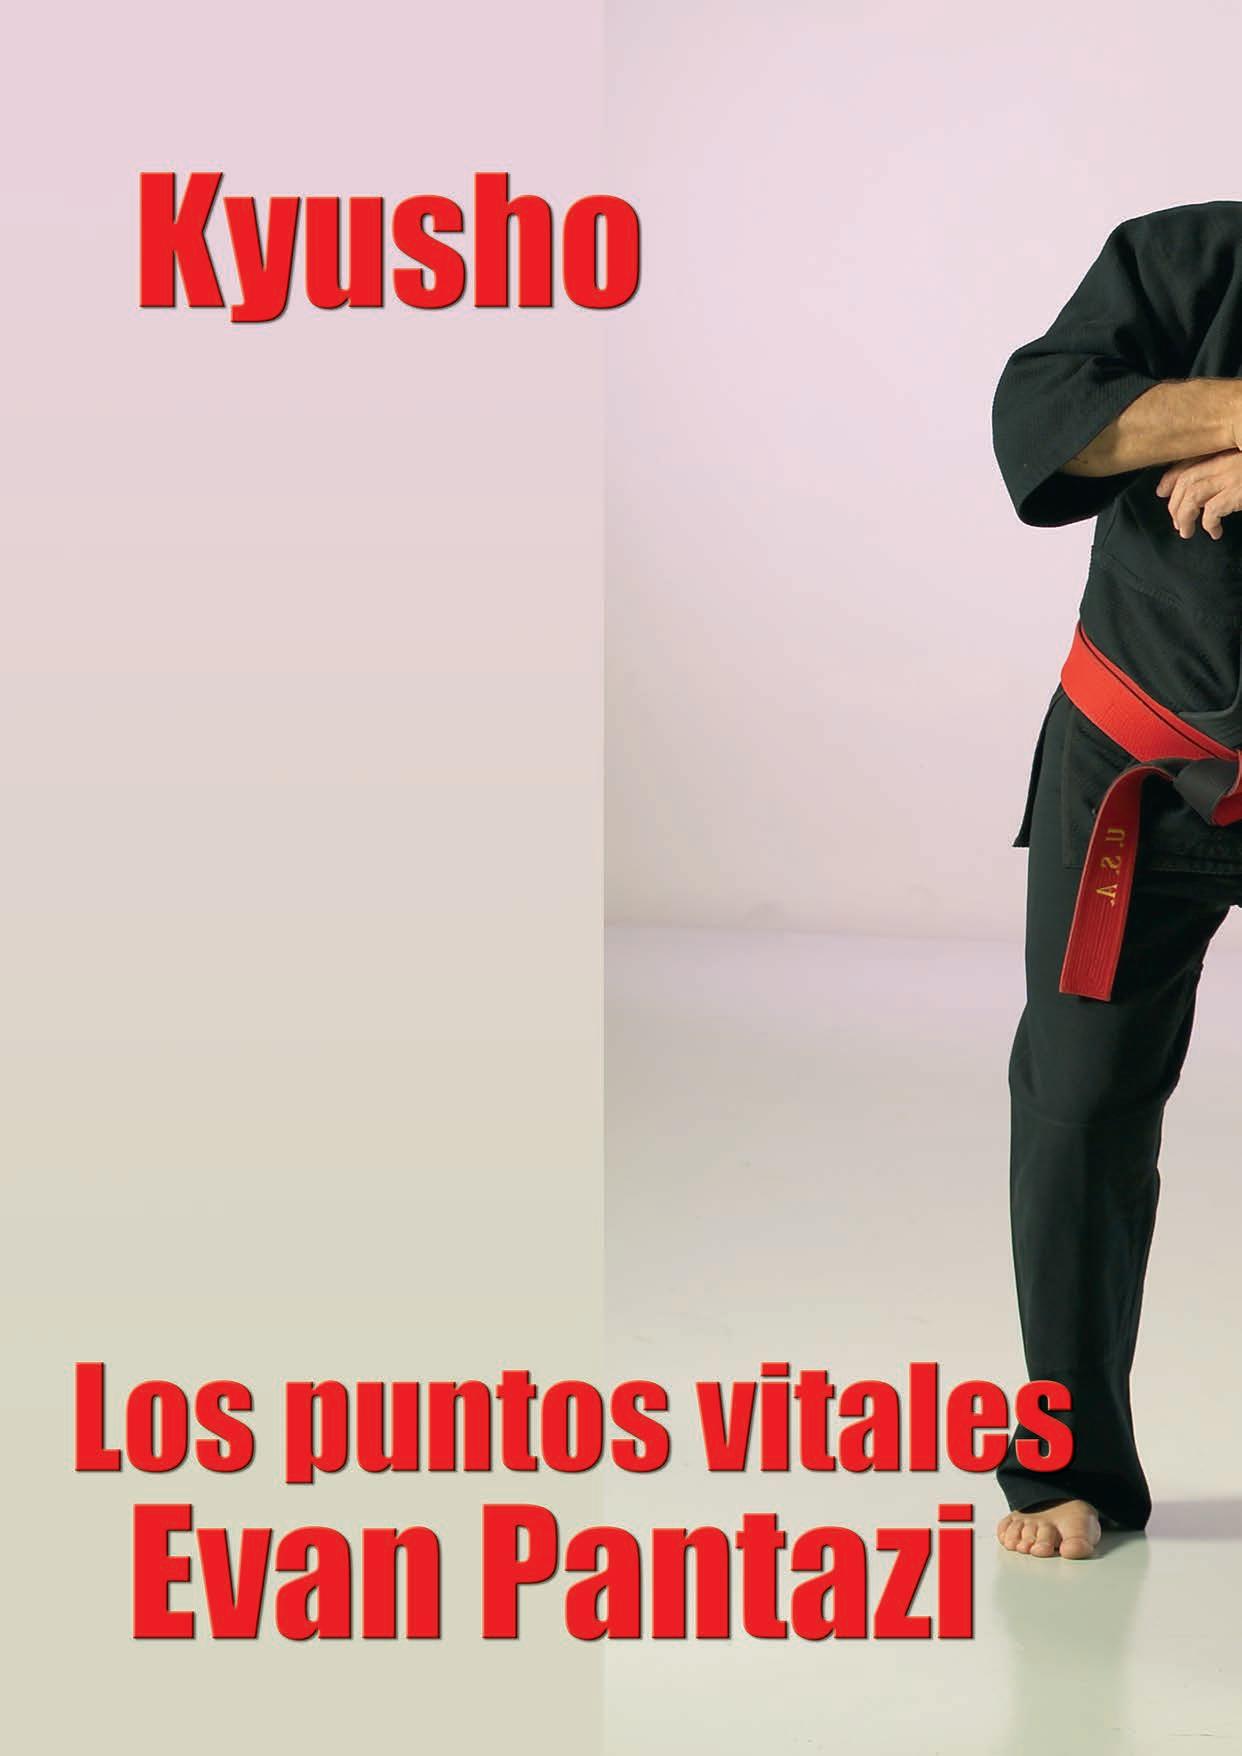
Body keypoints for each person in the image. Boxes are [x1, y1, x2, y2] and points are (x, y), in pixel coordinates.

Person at [990, 200, 1242, 1560]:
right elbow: (1046, 421)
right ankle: (1067, 1459)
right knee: (1078, 1102)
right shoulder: (1187, 257)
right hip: (1142, 756)